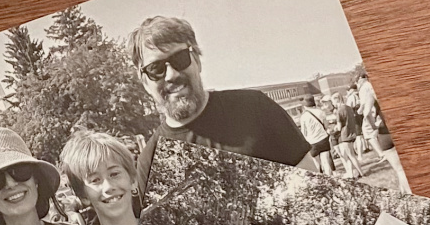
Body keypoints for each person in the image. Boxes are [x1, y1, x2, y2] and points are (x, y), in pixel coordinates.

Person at [130, 15, 315, 196]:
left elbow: (311, 183)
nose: (171, 75)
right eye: (156, 69)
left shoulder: (255, 108)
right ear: (144, 82)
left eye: (180, 59)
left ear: (197, 60)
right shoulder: (151, 161)